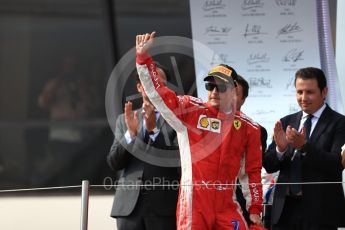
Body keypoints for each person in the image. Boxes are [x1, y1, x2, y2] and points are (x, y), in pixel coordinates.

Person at [136, 32, 263, 230]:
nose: (213, 91)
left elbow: (252, 171)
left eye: (220, 87)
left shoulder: (249, 127)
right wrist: (144, 60)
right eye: (209, 85)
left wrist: (255, 209)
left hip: (226, 205)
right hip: (194, 203)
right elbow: (159, 93)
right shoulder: (190, 109)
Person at [263, 67, 345, 230]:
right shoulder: (286, 121)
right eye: (299, 92)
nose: (303, 98)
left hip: (320, 213)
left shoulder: (339, 123)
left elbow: (337, 163)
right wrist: (280, 149)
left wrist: (305, 147)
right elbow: (269, 165)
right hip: (284, 211)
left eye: (310, 92)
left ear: (324, 92)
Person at [107, 66, 181, 230]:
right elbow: (114, 163)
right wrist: (130, 135)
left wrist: (154, 130)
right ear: (139, 87)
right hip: (128, 208)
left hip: (164, 206)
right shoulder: (123, 120)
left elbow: (178, 160)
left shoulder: (177, 119)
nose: (154, 87)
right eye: (149, 82)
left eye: (159, 83)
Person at [234, 75, 268, 227]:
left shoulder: (254, 130)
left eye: (235, 93)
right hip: (203, 203)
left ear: (243, 99)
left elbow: (252, 171)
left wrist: (254, 208)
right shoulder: (203, 124)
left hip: (241, 205)